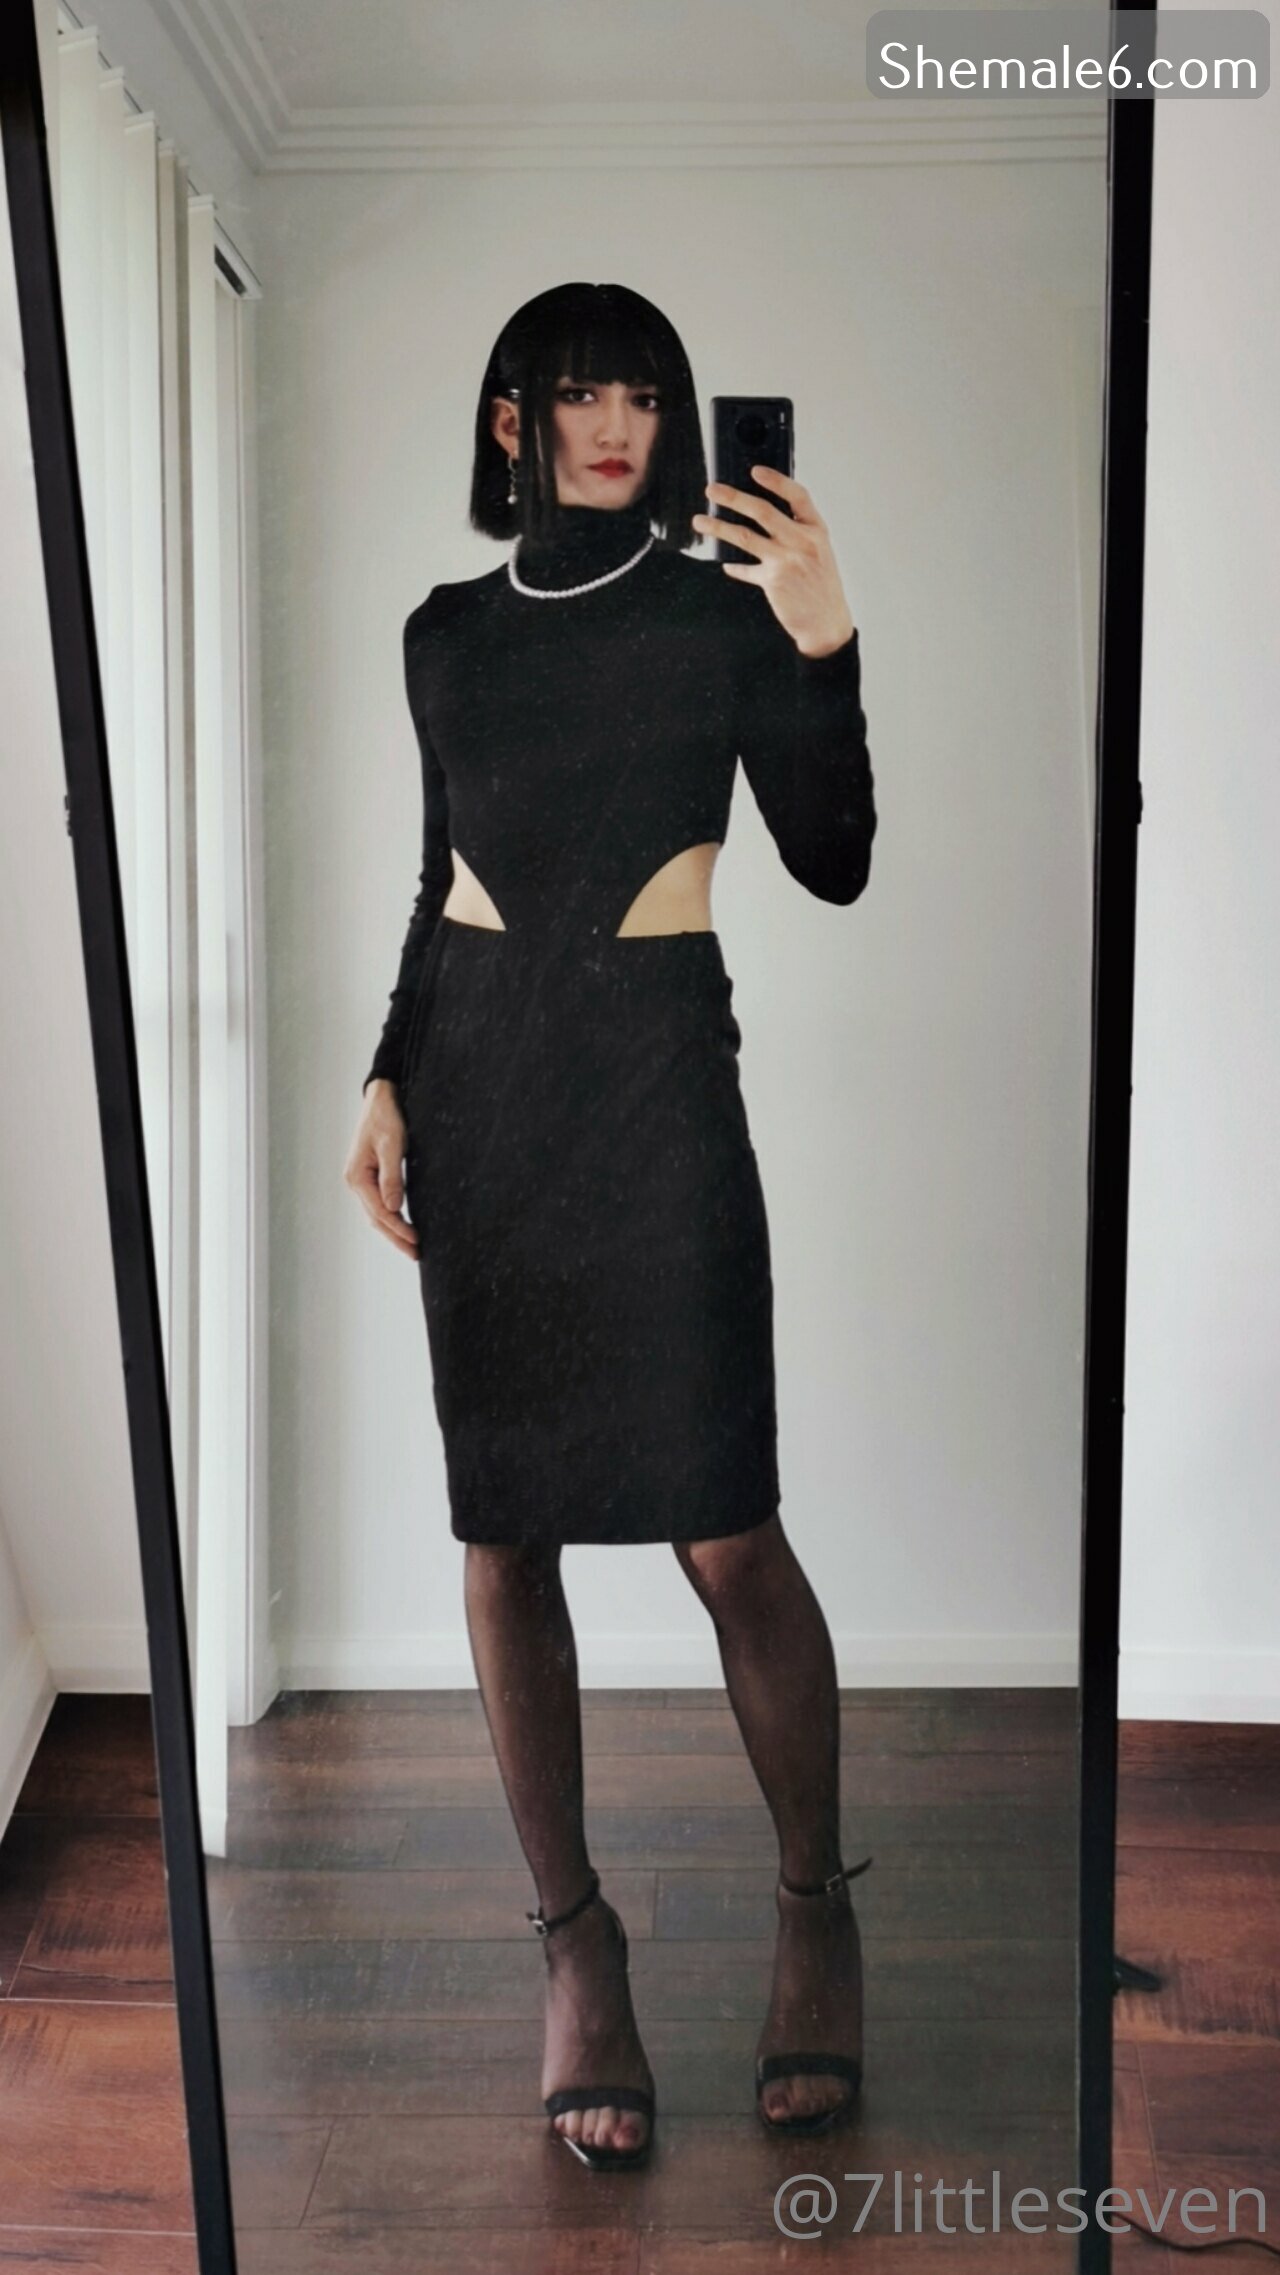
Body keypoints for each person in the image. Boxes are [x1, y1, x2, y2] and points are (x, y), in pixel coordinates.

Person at [344, 281, 878, 2170]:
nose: (620, 425)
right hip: (485, 1097)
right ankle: (577, 1945)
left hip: (658, 1091)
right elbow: (441, 877)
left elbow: (834, 859)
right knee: (506, 1538)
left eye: (646, 395)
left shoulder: (724, 617)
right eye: (581, 393)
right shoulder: (445, 635)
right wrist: (386, 1074)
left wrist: (826, 639)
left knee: (728, 1530)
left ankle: (816, 1910)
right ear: (514, 421)